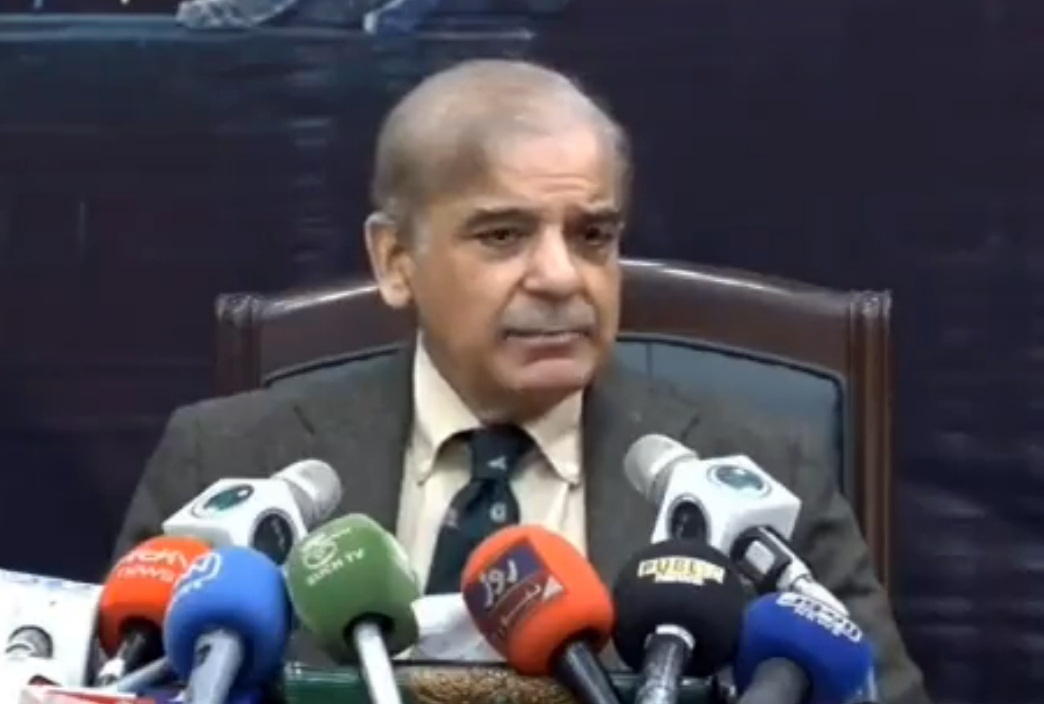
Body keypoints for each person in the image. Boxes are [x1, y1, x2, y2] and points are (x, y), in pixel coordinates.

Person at [113, 58, 929, 703]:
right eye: (503, 236)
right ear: (395, 261)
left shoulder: (758, 472)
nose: (561, 277)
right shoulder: (228, 462)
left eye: (592, 236)